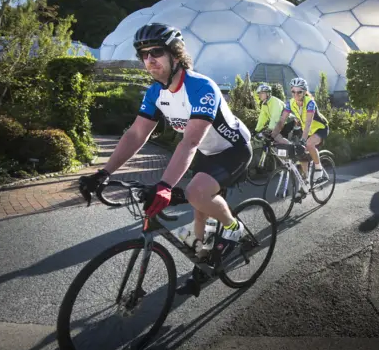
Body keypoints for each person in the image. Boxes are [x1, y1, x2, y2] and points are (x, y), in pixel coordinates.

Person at [77, 22, 252, 298]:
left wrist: (165, 185)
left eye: (156, 52)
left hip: (233, 149)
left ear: (176, 55)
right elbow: (136, 134)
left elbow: (190, 141)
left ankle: (234, 228)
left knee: (196, 192)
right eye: (143, 55)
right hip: (206, 152)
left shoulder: (201, 87)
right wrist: (104, 172)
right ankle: (204, 261)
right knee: (199, 215)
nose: (149, 60)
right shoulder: (155, 93)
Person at [270, 77, 330, 184]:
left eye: (299, 92)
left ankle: (318, 168)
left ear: (304, 92)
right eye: (293, 92)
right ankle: (305, 180)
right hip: (308, 131)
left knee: (308, 144)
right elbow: (281, 121)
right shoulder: (290, 103)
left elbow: (308, 123)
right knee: (301, 154)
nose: (296, 95)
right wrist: (272, 135)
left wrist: (303, 140)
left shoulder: (310, 103)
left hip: (320, 128)